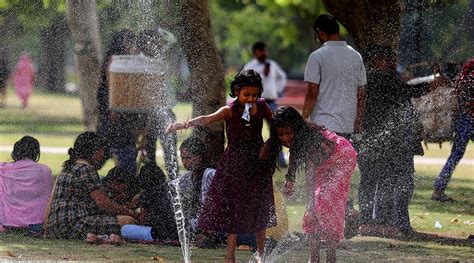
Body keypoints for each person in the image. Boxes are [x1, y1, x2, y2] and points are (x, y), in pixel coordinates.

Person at [166, 70, 276, 262]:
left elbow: (276, 125)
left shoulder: (262, 106)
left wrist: (269, 143)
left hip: (258, 164)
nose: (250, 99)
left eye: (254, 94)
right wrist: (184, 124)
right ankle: (229, 255)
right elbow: (206, 119)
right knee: (234, 209)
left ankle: (261, 254)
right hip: (235, 164)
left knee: (260, 207)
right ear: (236, 90)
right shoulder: (229, 110)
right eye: (246, 94)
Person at [358, 45, 447, 237]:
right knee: (397, 182)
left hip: (373, 139)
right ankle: (389, 224)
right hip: (390, 142)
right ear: (379, 60)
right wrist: (431, 85)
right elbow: (406, 92)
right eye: (390, 60)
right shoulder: (381, 78)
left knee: (375, 182)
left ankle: (372, 222)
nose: (392, 64)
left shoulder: (366, 78)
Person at [266, 106, 356, 263]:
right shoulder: (298, 138)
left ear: (297, 129)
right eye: (280, 134)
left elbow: (311, 174)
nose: (285, 138)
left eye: (288, 133)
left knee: (324, 203)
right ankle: (313, 258)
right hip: (325, 161)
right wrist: (290, 178)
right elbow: (294, 152)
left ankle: (330, 258)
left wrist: (311, 204)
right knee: (313, 213)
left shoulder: (310, 139)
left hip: (343, 157)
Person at [45, 132, 140, 244]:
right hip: (73, 225)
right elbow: (104, 204)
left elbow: (51, 201)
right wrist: (131, 212)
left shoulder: (66, 168)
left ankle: (104, 238)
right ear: (94, 151)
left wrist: (46, 228)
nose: (102, 155)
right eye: (102, 151)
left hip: (55, 228)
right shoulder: (86, 169)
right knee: (127, 221)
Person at [302, 14, 367, 138]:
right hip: (347, 126)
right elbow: (362, 94)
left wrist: (303, 120)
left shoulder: (317, 56)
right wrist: (358, 126)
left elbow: (312, 92)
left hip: (322, 126)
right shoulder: (355, 56)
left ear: (321, 33)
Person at [136, 28, 181, 177]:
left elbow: (173, 40)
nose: (157, 43)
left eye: (157, 40)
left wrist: (160, 31)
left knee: (170, 148)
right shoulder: (140, 60)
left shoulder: (160, 55)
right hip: (147, 113)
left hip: (166, 110)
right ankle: (152, 181)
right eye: (153, 40)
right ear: (144, 43)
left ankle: (173, 179)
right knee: (149, 149)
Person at [96, 29, 142, 174]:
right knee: (118, 151)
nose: (132, 45)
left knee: (121, 152)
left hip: (123, 115)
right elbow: (111, 87)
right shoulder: (114, 61)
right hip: (114, 113)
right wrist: (112, 108)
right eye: (128, 41)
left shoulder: (126, 60)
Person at [432, 59, 473, 202]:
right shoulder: (469, 71)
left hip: (464, 118)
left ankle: (438, 189)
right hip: (468, 117)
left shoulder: (466, 72)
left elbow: (458, 90)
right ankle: (438, 189)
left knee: (455, 155)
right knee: (455, 155)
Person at [244, 42, 288, 167]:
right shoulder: (250, 66)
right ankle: (254, 158)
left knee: (276, 130)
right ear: (255, 53)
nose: (263, 53)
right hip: (255, 103)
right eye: (260, 51)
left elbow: (282, 76)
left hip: (271, 102)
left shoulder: (272, 64)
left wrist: (278, 90)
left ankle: (280, 160)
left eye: (264, 50)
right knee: (252, 130)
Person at [0, 136, 53, 235]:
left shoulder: (4, 170)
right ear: (36, 153)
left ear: (15, 152)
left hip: (8, 223)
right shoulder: (44, 171)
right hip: (37, 223)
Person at [138, 163, 178, 241]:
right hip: (176, 229)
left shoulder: (146, 195)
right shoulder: (169, 189)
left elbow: (143, 219)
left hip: (160, 232)